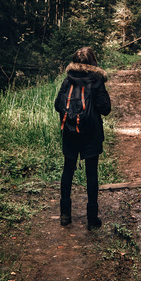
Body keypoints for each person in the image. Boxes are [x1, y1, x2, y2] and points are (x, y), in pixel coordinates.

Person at [54, 46, 111, 229]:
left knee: (67, 171)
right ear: (93, 62)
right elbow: (106, 109)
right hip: (91, 134)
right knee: (91, 174)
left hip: (70, 132)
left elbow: (57, 105)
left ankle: (65, 215)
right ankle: (92, 219)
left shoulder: (67, 80)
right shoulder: (96, 81)